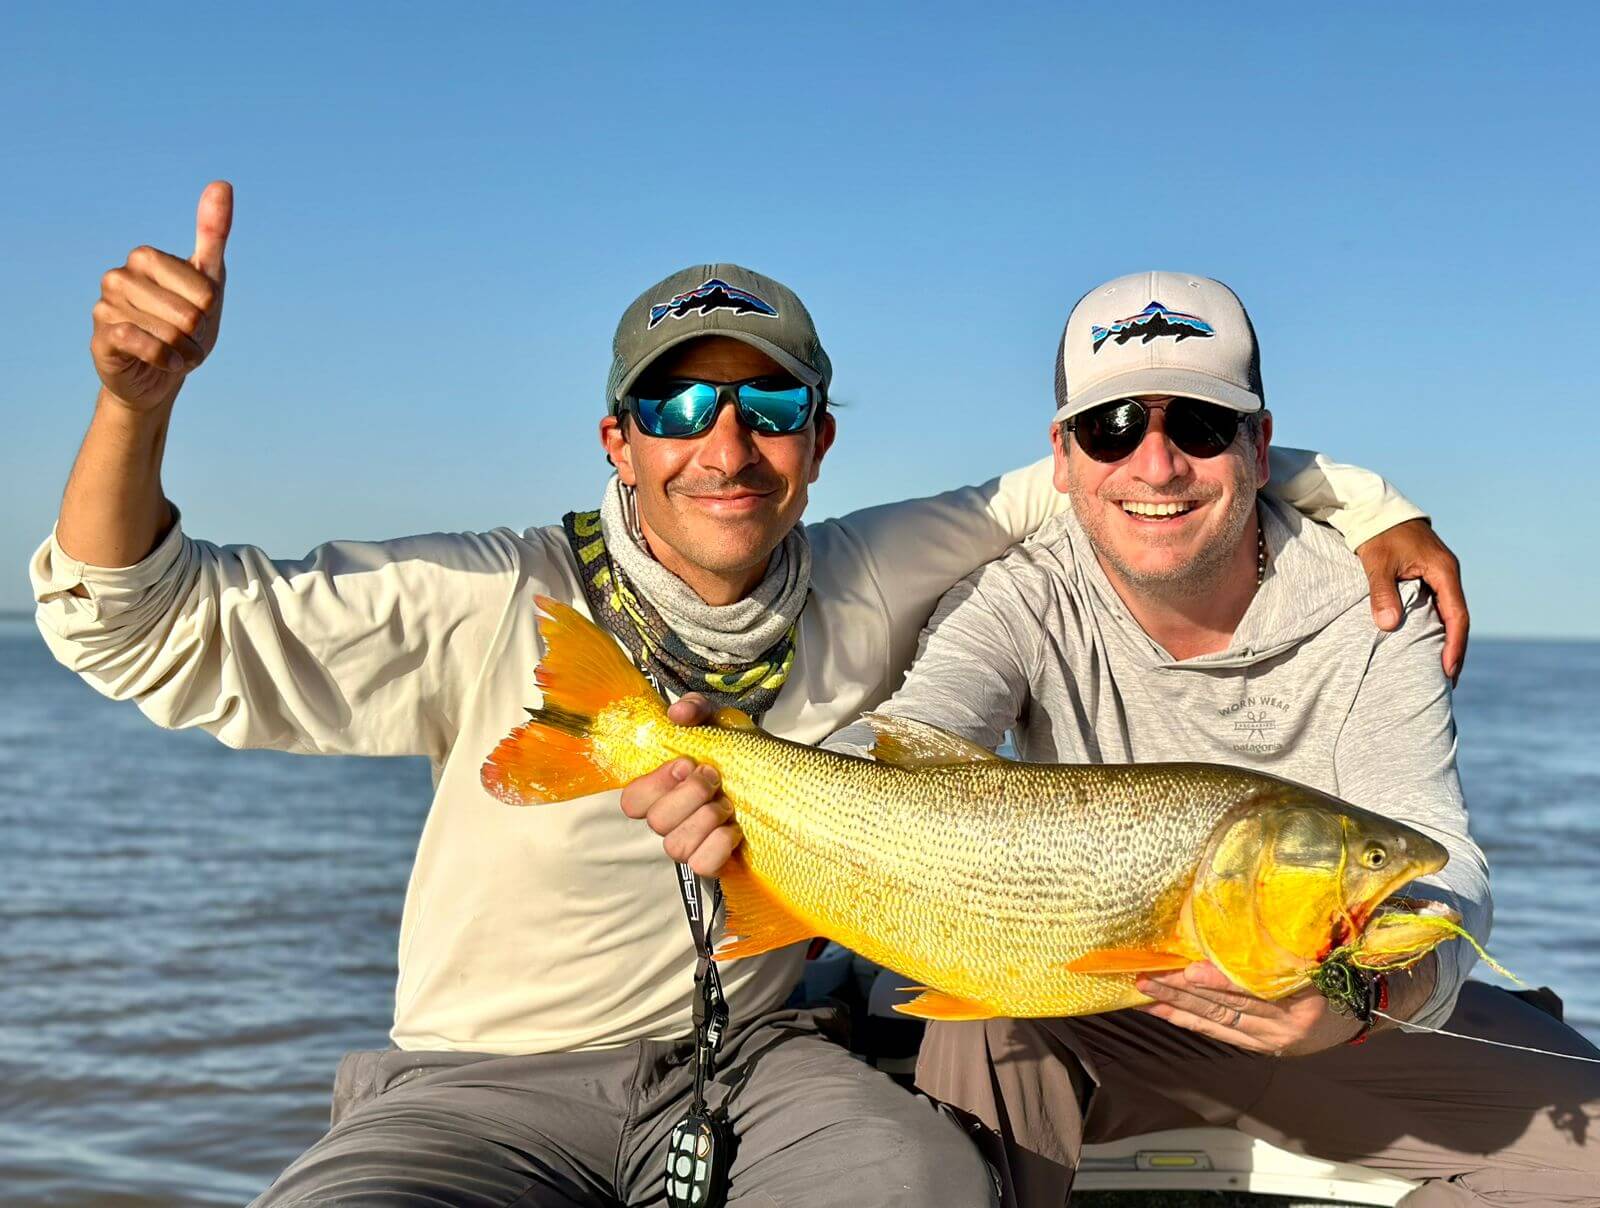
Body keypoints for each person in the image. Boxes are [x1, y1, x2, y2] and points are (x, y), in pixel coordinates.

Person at [32, 184, 1467, 1206]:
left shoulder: (882, 561)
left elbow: (1127, 469)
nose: (725, 445)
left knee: (920, 1183)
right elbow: (141, 624)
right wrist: (133, 405)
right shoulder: (487, 595)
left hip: (760, 1063)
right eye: (676, 407)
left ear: (821, 441)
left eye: (769, 409)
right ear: (617, 436)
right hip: (480, 1082)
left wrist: (1363, 503)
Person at [631, 272, 1600, 1207]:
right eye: (1112, 427)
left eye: (1202, 424)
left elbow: (1442, 861)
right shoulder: (1017, 594)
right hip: (1100, 1016)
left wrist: (1369, 998)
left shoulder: (1381, 601)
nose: (1155, 463)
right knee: (983, 1016)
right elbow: (910, 742)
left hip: (1344, 1026)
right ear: (1061, 459)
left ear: (1261, 446)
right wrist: (740, 777)